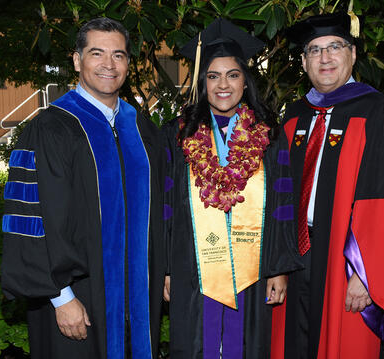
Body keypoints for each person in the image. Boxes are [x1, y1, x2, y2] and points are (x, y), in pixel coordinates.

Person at [1, 17, 165, 359]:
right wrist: (60, 297)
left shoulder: (142, 129)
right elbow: (32, 219)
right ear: (76, 60)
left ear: (128, 64)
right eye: (96, 53)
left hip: (138, 293)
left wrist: (164, 269)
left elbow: (162, 208)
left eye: (118, 55)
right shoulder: (50, 129)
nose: (108, 64)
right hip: (76, 296)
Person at [270, 13, 384, 359]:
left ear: (353, 54)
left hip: (345, 260)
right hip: (294, 255)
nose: (325, 58)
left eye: (334, 47)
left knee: (344, 345)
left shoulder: (378, 114)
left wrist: (367, 273)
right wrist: (277, 262)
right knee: (291, 343)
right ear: (303, 61)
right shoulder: (293, 116)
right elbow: (277, 196)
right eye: (314, 50)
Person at [162, 18, 302, 358]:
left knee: (247, 346)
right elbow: (165, 207)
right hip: (193, 268)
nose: (223, 85)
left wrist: (279, 268)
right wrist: (166, 268)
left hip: (251, 270)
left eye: (233, 75)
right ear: (201, 81)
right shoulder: (177, 134)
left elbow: (283, 204)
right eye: (213, 76)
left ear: (245, 81)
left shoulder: (268, 134)